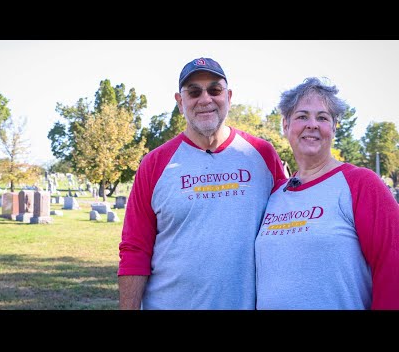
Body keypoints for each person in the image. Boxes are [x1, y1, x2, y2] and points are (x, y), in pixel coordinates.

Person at [117, 57, 286, 309]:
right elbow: (135, 248)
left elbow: (283, 230)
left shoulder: (261, 154)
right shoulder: (154, 164)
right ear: (179, 102)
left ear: (228, 96)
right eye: (194, 92)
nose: (205, 99)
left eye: (215, 90)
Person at [255, 77, 399, 310]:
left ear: (333, 127)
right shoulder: (274, 195)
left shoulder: (360, 184)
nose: (312, 124)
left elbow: (393, 268)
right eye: (302, 116)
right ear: (285, 125)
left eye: (322, 117)